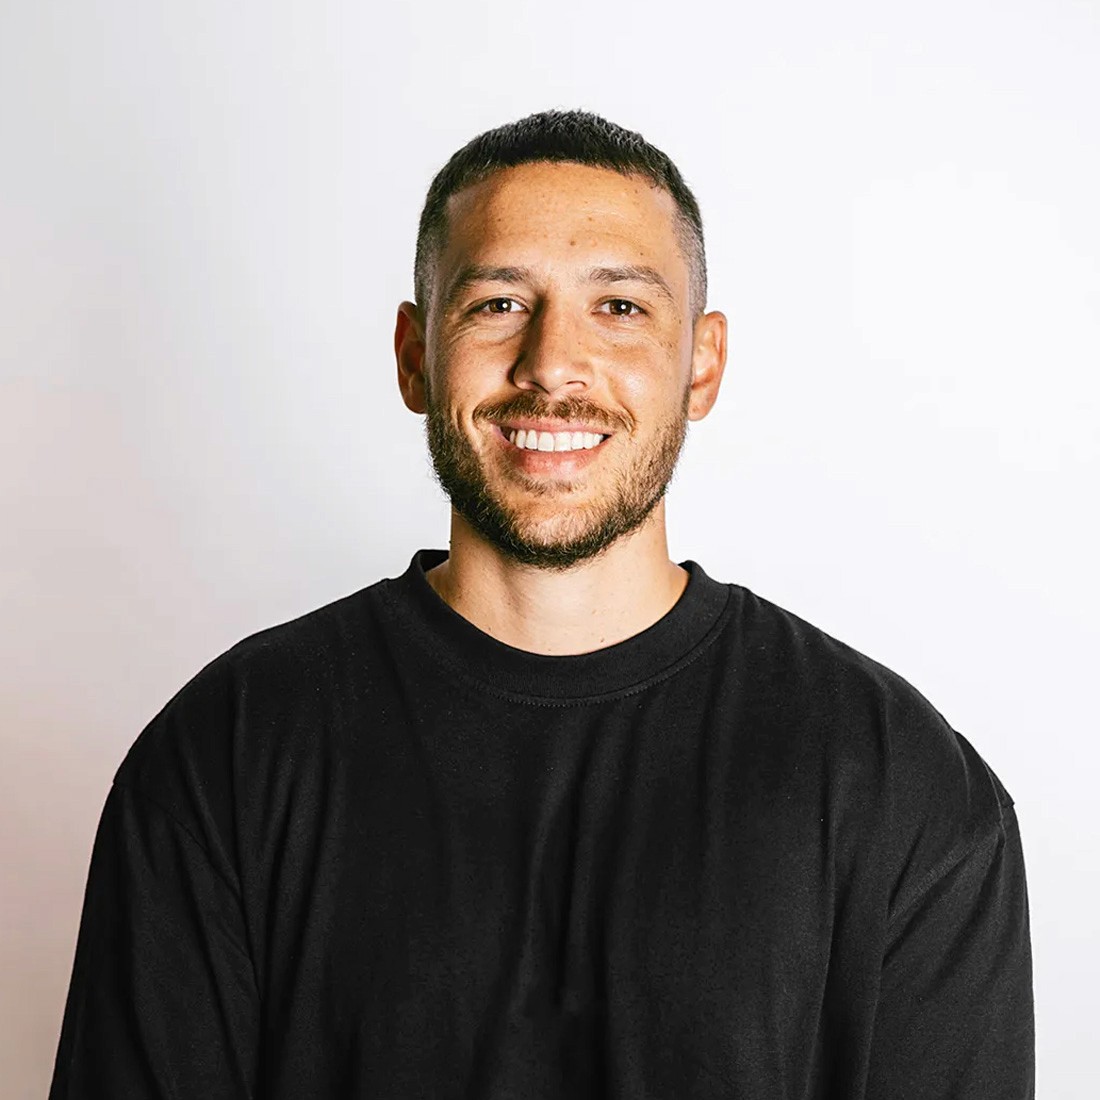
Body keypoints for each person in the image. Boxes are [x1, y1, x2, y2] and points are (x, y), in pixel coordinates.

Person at [49, 109, 1034, 1099]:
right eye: (496, 303)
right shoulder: (224, 755)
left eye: (618, 307)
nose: (551, 364)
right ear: (412, 355)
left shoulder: (900, 787)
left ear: (701, 362)